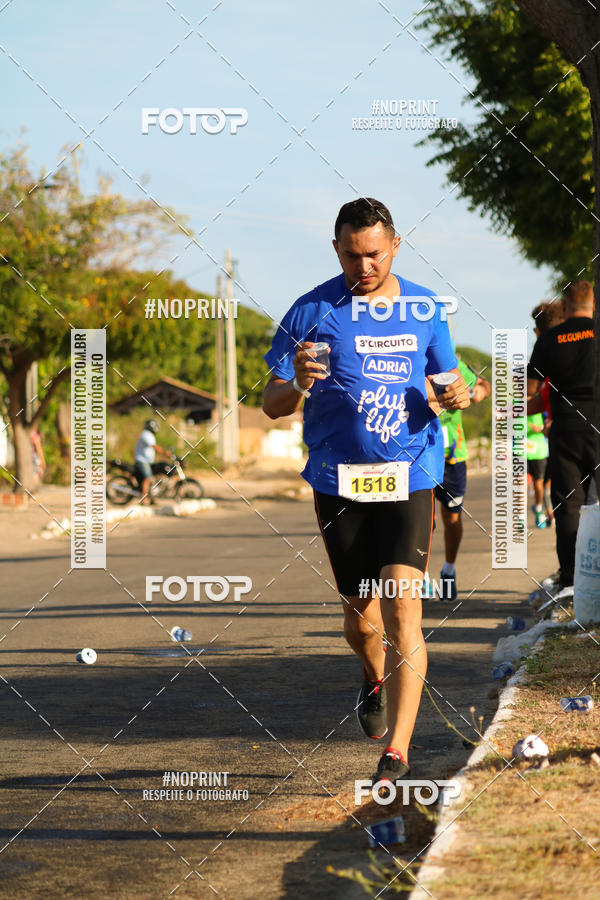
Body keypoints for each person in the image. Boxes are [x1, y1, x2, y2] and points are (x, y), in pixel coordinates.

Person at [262, 198, 469, 786]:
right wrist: (297, 383)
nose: (364, 266)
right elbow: (271, 405)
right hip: (339, 481)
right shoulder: (310, 310)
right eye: (352, 255)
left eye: (374, 254)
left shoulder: (424, 306)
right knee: (362, 619)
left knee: (405, 605)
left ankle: (398, 752)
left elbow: (451, 381)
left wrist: (456, 395)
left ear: (395, 246)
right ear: (336, 250)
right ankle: (372, 673)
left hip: (411, 474)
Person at [527, 282, 596, 591]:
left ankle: (572, 579)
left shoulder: (550, 339)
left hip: (566, 429)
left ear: (565, 307)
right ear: (593, 304)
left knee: (568, 504)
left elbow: (529, 389)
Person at [427, 355, 490, 601]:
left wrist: (477, 394)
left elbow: (483, 385)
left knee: (452, 519)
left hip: (452, 457)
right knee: (422, 519)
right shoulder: (410, 358)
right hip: (420, 454)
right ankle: (419, 577)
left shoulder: (453, 362)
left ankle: (448, 570)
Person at [134, 419, 167, 505]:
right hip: (142, 461)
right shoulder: (146, 434)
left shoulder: (149, 435)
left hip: (148, 461)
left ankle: (152, 499)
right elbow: (154, 446)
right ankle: (143, 499)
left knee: (154, 478)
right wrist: (164, 452)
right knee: (148, 479)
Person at [526, 412, 548, 528]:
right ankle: (520, 517)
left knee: (538, 484)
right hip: (520, 449)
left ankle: (539, 509)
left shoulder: (540, 401)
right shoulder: (515, 403)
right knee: (520, 483)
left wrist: (541, 428)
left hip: (538, 451)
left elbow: (551, 420)